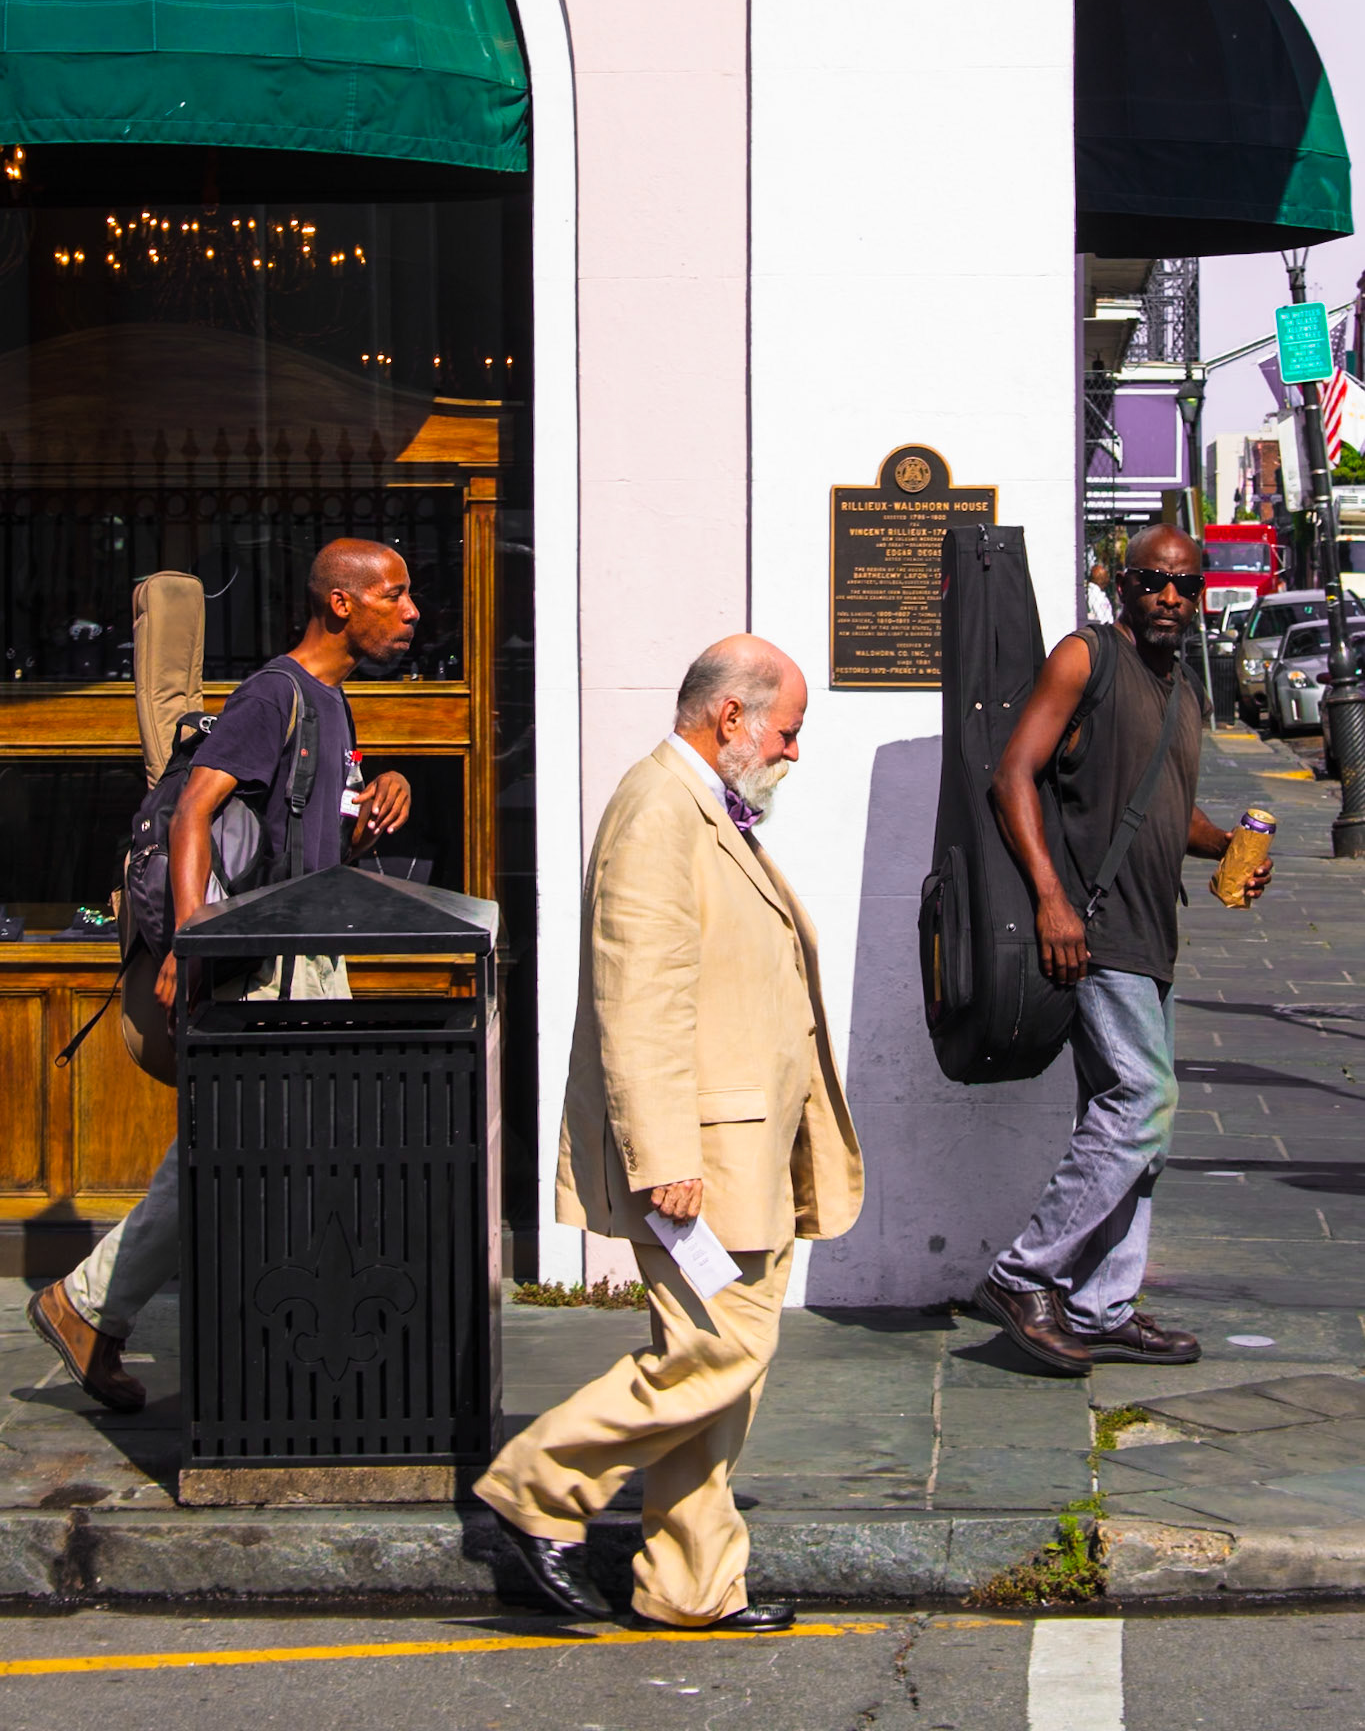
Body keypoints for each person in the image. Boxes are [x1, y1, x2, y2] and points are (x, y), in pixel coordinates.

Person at [475, 635, 862, 1630]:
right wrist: (665, 1157)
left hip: (747, 1149)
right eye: (788, 728)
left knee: (718, 1372)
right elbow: (637, 995)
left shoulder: (708, 804)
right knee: (722, 1352)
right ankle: (541, 1484)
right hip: (702, 1158)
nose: (793, 750)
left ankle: (689, 1583)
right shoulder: (658, 807)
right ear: (730, 714)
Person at [27, 539, 418, 1412]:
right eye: (394, 594)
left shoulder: (333, 706)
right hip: (259, 963)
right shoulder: (272, 694)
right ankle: (111, 1307)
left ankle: (103, 1307)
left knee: (265, 1149)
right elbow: (195, 810)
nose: (412, 611)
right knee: (248, 1150)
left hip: (302, 952)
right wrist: (189, 940)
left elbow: (312, 848)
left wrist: (381, 795)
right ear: (341, 603)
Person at [975, 523, 1271, 1375]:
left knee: (1136, 1121)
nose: (1169, 598)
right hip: (1092, 926)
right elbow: (1012, 775)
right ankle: (1023, 1273)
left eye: (1184, 585)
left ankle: (1101, 1304)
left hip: (1151, 929)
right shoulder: (1086, 656)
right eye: (1151, 583)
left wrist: (1225, 852)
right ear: (1120, 584)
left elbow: (1164, 810)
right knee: (1143, 1102)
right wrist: (1050, 901)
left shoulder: (1182, 687)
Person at [1086, 560, 1115, 626]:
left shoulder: (1097, 592)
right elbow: (1102, 618)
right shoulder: (1096, 594)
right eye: (1106, 576)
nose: (1108, 579)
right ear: (1100, 578)